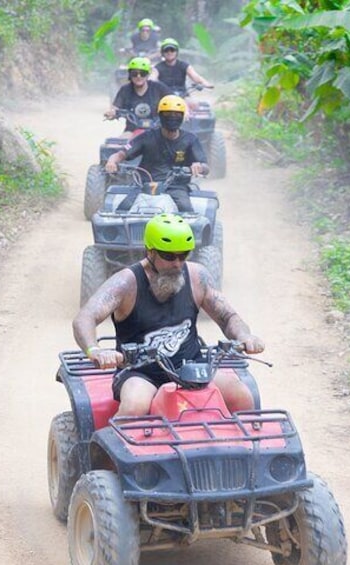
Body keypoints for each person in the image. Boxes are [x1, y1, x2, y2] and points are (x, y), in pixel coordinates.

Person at [73, 213, 265, 417]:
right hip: (141, 373)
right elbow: (85, 318)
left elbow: (228, 317)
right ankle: (105, 449)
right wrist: (95, 350)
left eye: (184, 255)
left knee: (241, 395)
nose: (177, 263)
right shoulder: (126, 283)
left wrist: (245, 336)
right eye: (169, 256)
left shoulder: (197, 277)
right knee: (135, 406)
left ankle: (246, 448)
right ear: (150, 251)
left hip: (193, 367)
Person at [105, 94, 206, 212]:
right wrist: (112, 161)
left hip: (176, 187)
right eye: (167, 114)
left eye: (176, 114)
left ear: (182, 117)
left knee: (187, 211)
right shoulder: (147, 137)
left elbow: (205, 166)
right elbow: (121, 154)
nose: (172, 117)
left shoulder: (190, 139)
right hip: (144, 185)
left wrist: (199, 166)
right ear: (160, 116)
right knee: (122, 210)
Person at [105, 57, 172, 136]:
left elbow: (174, 100)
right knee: (122, 142)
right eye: (134, 73)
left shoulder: (158, 88)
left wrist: (183, 112)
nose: (138, 76)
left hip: (159, 130)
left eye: (142, 73)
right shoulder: (125, 90)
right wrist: (111, 113)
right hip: (132, 130)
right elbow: (115, 107)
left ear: (147, 75)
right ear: (130, 75)